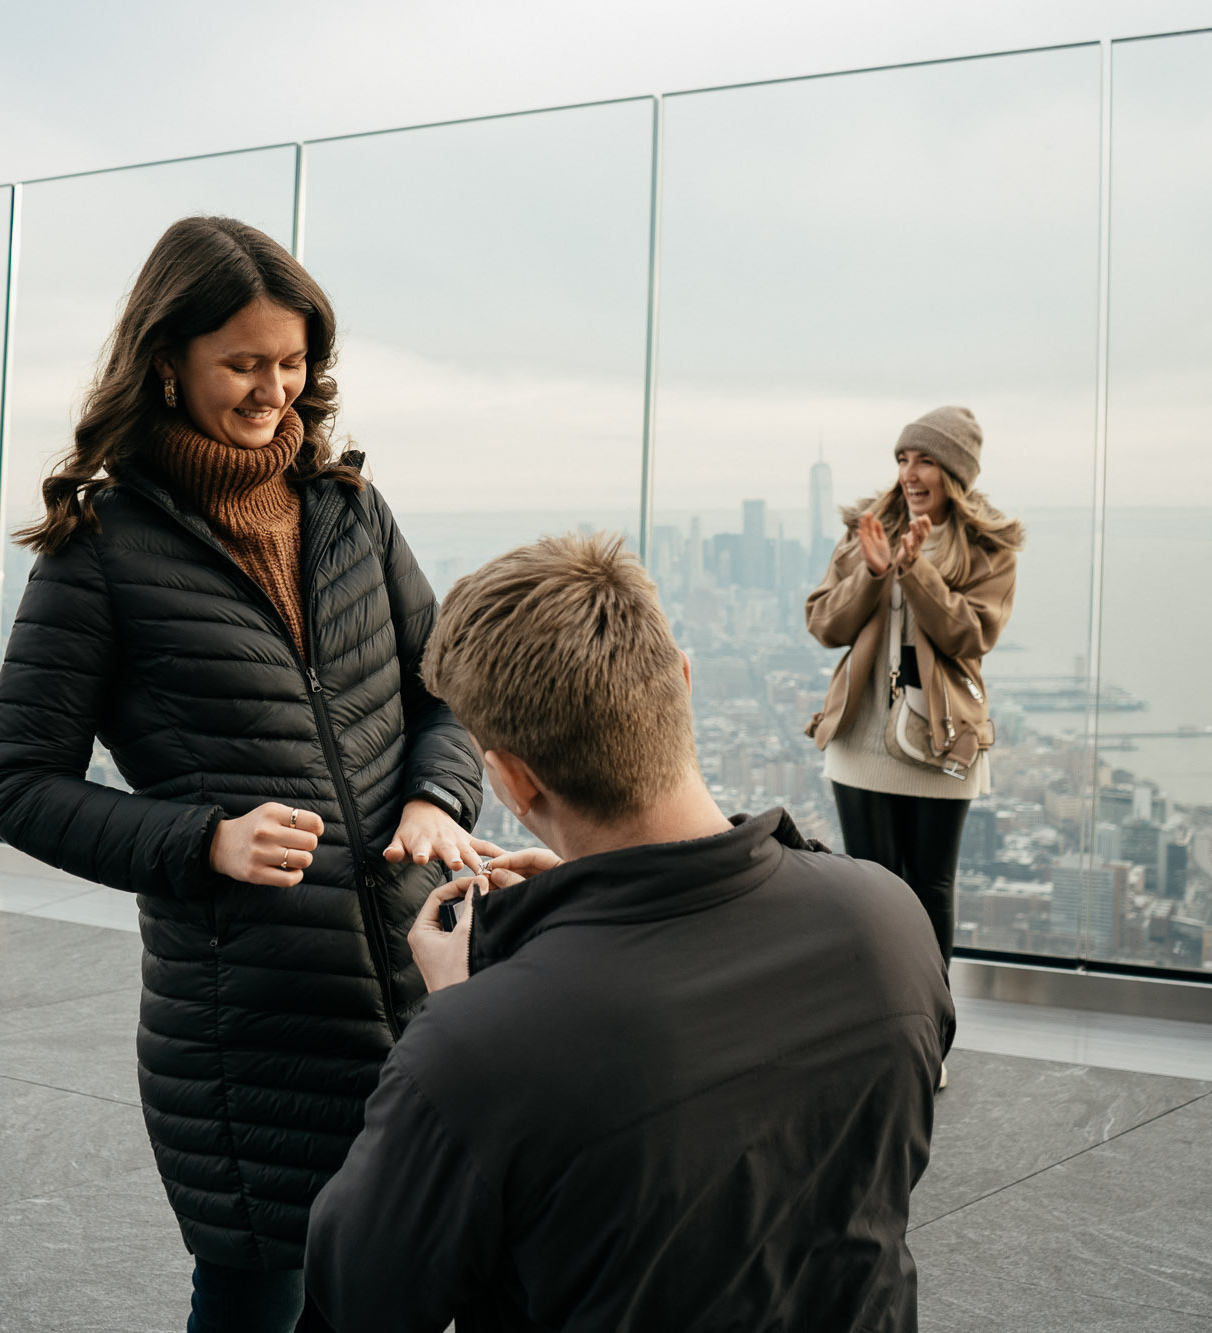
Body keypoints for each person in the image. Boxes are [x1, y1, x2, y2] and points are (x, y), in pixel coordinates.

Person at [0, 216, 485, 1333]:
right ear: (167, 360)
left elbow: (448, 687)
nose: (274, 391)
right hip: (246, 1024)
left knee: (389, 1294)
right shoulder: (101, 550)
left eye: (292, 364)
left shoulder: (349, 510)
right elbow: (16, 782)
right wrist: (202, 839)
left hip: (417, 985)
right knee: (258, 1297)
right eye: (244, 363)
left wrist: (433, 796)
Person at [306, 533, 954, 1333]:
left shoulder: (478, 1045)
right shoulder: (888, 921)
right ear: (683, 679)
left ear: (509, 778)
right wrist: (583, 919)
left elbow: (357, 1296)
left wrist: (456, 1016)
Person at [805, 406, 1025, 1004]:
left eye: (925, 460)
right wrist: (875, 574)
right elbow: (824, 623)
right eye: (903, 459)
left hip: (941, 736)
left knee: (929, 888)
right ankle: (878, 1019)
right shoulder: (868, 530)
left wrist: (916, 570)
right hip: (861, 734)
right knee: (870, 892)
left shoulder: (988, 548)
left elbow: (970, 636)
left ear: (955, 471)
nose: (909, 473)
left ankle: (928, 1023)